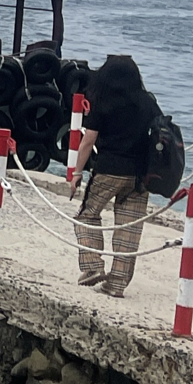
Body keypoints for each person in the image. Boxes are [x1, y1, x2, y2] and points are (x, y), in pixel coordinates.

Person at [72, 54, 158, 296]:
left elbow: (88, 140)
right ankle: (117, 284)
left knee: (86, 216)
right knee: (128, 229)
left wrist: (77, 173)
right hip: (140, 176)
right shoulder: (147, 102)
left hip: (109, 170)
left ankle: (92, 267)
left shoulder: (104, 101)